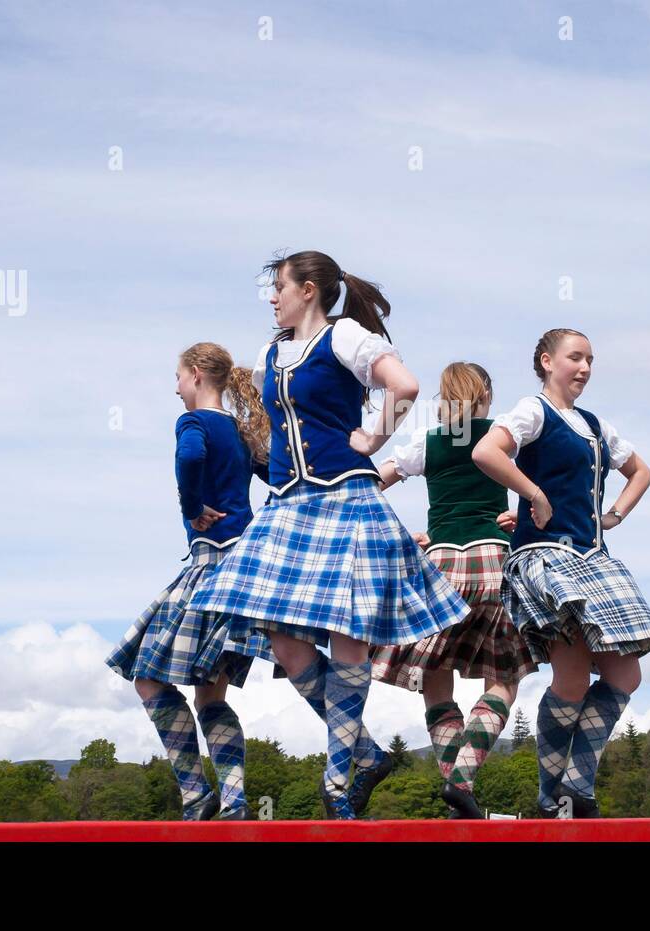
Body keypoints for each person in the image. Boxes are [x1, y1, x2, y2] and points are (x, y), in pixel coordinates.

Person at [189, 250, 469, 819]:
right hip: (289, 503)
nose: (272, 298)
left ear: (308, 289)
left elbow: (406, 386)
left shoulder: (345, 338)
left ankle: (340, 778)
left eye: (279, 287)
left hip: (344, 495)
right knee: (282, 639)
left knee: (347, 637)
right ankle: (365, 752)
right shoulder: (273, 353)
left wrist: (373, 437)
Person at [472, 328, 650, 818]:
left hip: (593, 556)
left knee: (625, 673)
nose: (584, 368)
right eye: (575, 358)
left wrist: (614, 515)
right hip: (546, 556)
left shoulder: (597, 425)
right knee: (573, 677)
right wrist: (533, 494)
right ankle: (555, 798)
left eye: (590, 360)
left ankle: (574, 787)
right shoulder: (533, 410)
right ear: (546, 361)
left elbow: (641, 471)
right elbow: (487, 452)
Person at [105, 341, 273, 821]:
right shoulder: (241, 432)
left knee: (147, 680)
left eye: (178, 377)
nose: (175, 387)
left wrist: (192, 508)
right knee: (210, 695)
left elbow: (190, 457)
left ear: (197, 375)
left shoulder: (193, 423)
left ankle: (198, 795)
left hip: (210, 565)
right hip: (244, 573)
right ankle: (235, 801)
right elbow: (278, 475)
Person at [371, 362, 536, 818]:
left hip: (440, 564)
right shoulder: (504, 436)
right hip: (495, 560)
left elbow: (367, 489)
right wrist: (527, 514)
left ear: (442, 398)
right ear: (487, 394)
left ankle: (454, 790)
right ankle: (462, 780)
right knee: (504, 678)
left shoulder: (426, 444)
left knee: (435, 678)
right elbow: (551, 479)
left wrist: (403, 538)